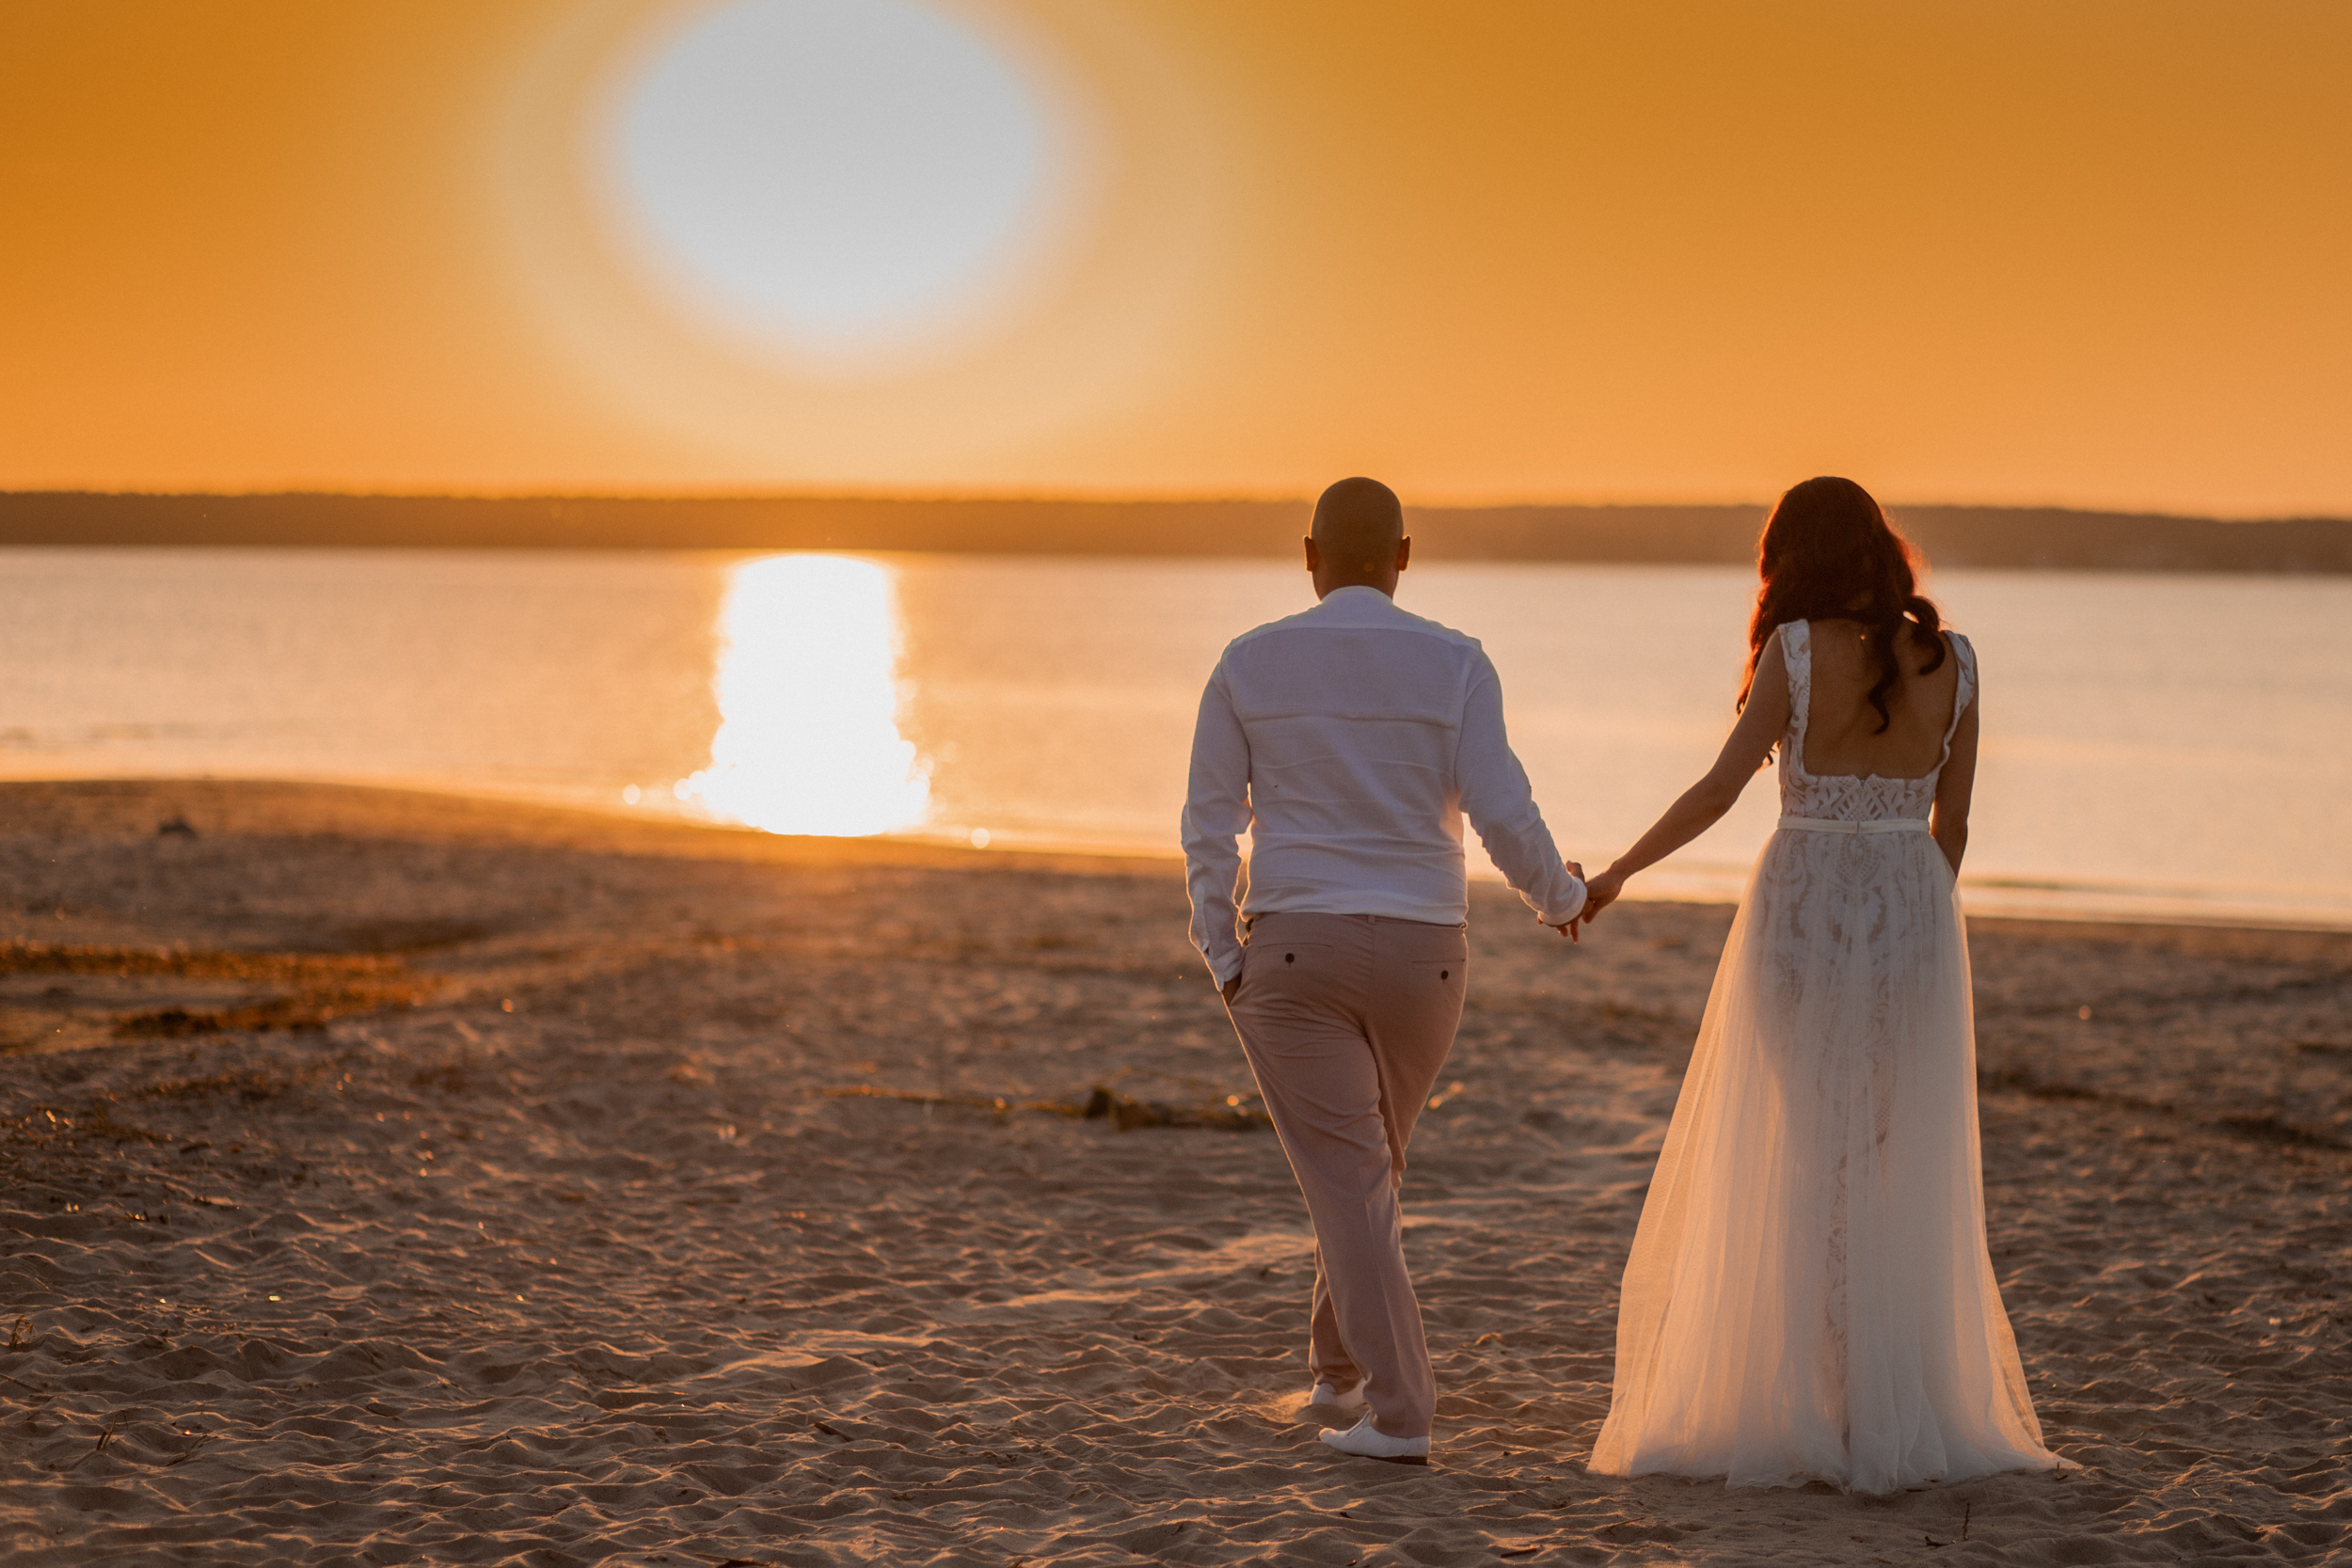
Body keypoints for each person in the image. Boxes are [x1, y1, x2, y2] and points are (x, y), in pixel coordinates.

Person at [1580, 476, 2063, 1492]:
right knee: (1888, 1155)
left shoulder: (1792, 650)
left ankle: (1814, 1397)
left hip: (1801, 905)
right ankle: (1876, 1400)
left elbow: (1720, 787)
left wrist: (1619, 870)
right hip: (1911, 908)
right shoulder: (1957, 659)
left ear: (1789, 558)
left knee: (1805, 1150)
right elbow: (1956, 825)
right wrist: (1919, 915)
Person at [1183, 476, 1589, 1466]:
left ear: (1309, 554)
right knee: (1365, 1172)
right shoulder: (1457, 662)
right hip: (1425, 960)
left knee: (1354, 1177)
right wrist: (1558, 895)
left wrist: (1221, 953)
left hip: (1293, 951)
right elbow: (1501, 807)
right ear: (1402, 555)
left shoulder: (1248, 661)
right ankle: (1337, 1371)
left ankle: (1401, 1412)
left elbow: (1207, 822)